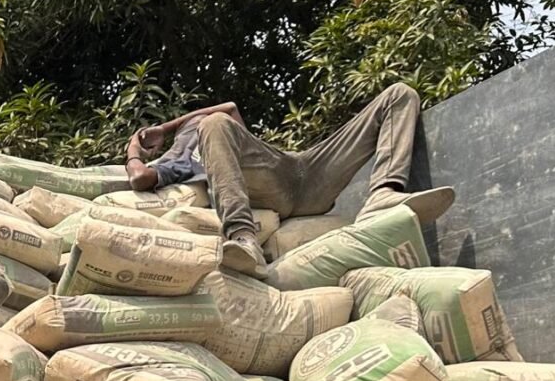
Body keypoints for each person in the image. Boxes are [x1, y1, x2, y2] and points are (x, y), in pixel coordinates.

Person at [123, 82, 454, 279]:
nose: (198, 121)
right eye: (192, 120)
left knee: (399, 94)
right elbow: (140, 178)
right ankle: (243, 238)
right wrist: (135, 147)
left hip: (301, 170)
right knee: (215, 126)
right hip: (270, 191)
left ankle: (384, 193)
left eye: (194, 118)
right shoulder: (178, 157)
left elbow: (230, 107)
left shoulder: (216, 121)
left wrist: (166, 126)